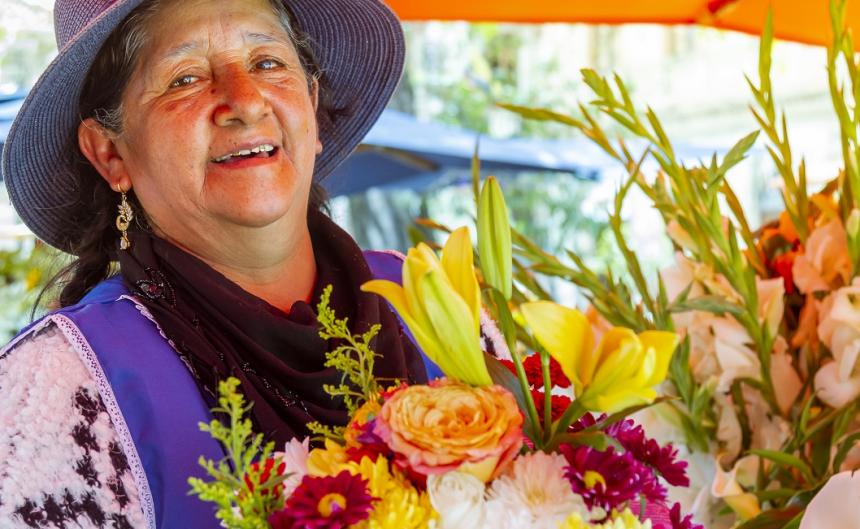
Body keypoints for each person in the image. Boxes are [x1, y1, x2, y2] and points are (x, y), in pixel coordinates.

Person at [0, 0, 436, 526]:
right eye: (185, 78)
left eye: (268, 63)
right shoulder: (64, 388)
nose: (246, 102)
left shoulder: (429, 296)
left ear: (313, 107)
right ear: (109, 153)